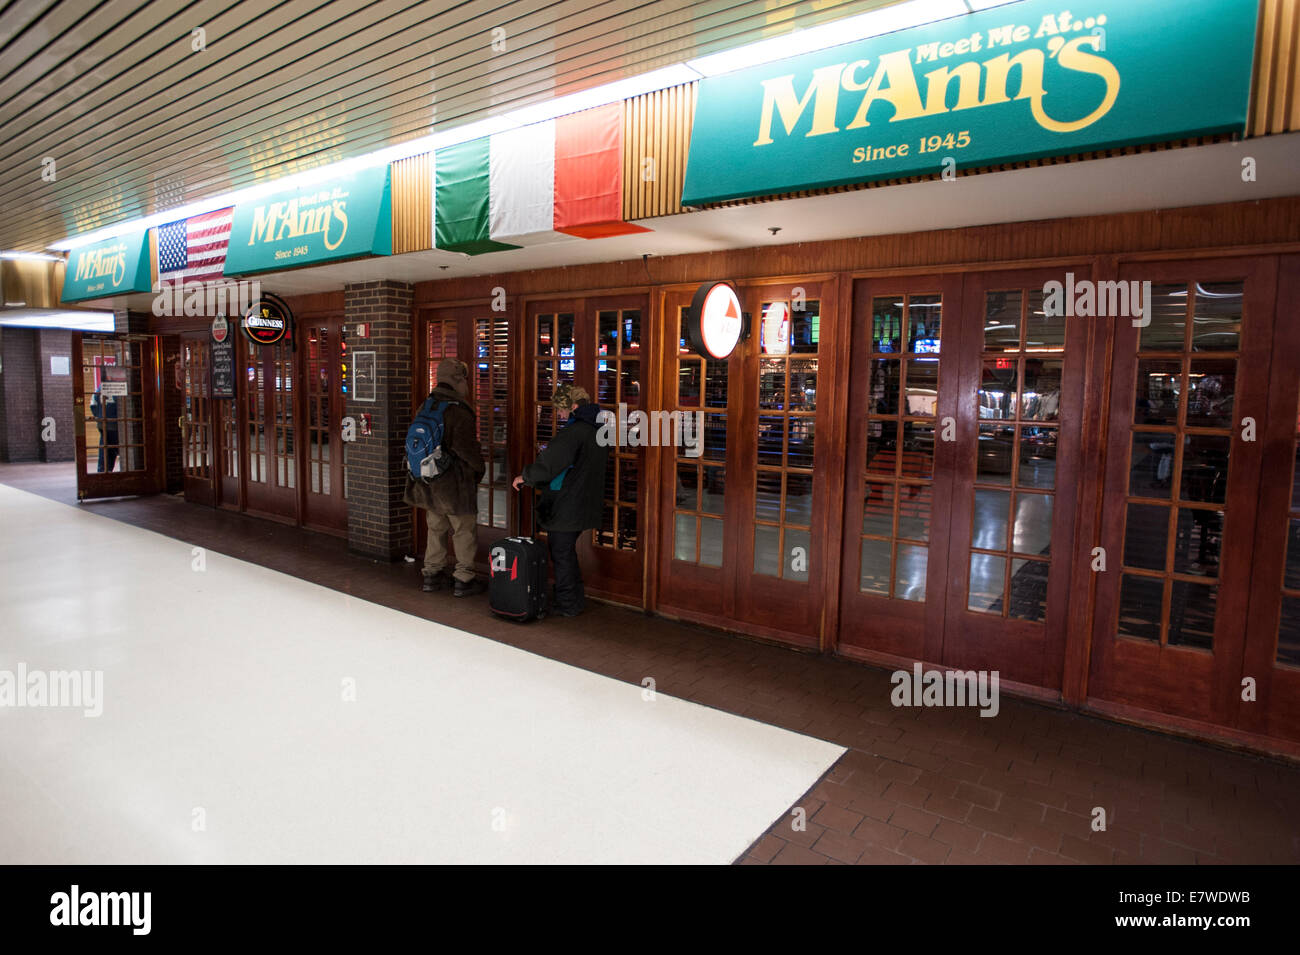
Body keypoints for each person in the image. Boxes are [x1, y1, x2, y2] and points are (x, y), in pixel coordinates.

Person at [512, 383, 609, 617]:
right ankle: (574, 599)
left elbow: (550, 464)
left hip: (568, 502)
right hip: (586, 499)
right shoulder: (599, 429)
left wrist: (525, 476)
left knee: (561, 553)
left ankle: (567, 603)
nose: (559, 414)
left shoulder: (573, 432)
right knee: (566, 551)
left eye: (562, 409)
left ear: (574, 406)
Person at [403, 359, 487, 597]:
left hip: (429, 481)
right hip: (455, 484)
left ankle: (432, 574)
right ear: (459, 379)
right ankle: (464, 578)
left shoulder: (426, 405)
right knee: (463, 529)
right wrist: (479, 470)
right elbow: (466, 449)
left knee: (436, 527)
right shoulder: (459, 410)